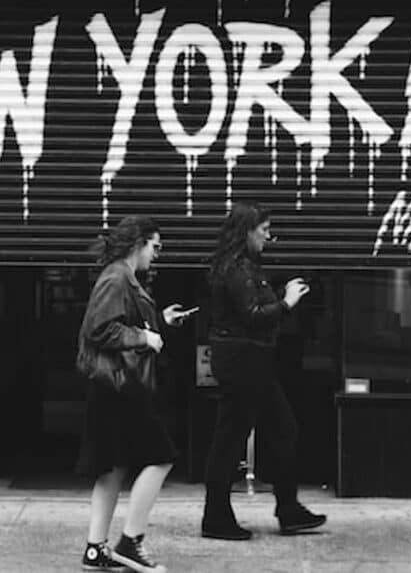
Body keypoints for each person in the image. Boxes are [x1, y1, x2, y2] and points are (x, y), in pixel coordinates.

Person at [201, 202, 327, 540]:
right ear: (246, 232)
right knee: (231, 440)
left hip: (251, 362)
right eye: (263, 230)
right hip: (243, 362)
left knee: (282, 429)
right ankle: (217, 518)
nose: (268, 236)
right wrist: (287, 302)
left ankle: (288, 509)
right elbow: (254, 314)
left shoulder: (243, 266)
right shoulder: (236, 268)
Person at [75, 215, 194, 573]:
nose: (156, 255)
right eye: (155, 247)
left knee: (112, 467)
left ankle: (96, 550)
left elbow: (122, 321)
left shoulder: (121, 277)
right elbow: (101, 329)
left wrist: (160, 321)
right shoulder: (116, 277)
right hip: (122, 387)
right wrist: (145, 337)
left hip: (112, 386)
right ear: (138, 243)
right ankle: (130, 542)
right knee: (162, 457)